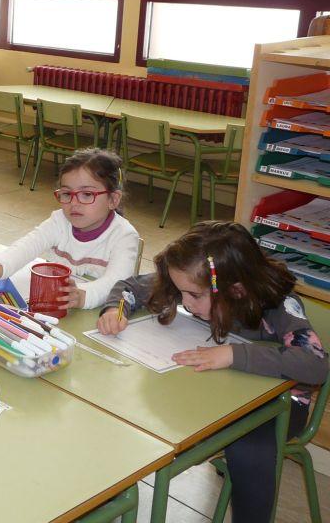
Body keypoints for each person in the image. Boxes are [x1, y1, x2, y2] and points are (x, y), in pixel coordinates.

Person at [96, 221, 328, 523]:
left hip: (280, 408)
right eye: (182, 293)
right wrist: (116, 309)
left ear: (236, 289)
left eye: (194, 296)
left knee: (246, 446)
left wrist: (234, 354)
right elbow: (131, 286)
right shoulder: (195, 282)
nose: (186, 303)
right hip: (219, 394)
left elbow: (315, 364)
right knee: (130, 408)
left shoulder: (277, 306)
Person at [0, 148, 138, 309]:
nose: (74, 203)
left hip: (94, 315)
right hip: (54, 312)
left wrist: (82, 296)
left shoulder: (124, 236)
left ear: (113, 199)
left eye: (87, 194)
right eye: (67, 194)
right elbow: (24, 247)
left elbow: (116, 284)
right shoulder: (59, 220)